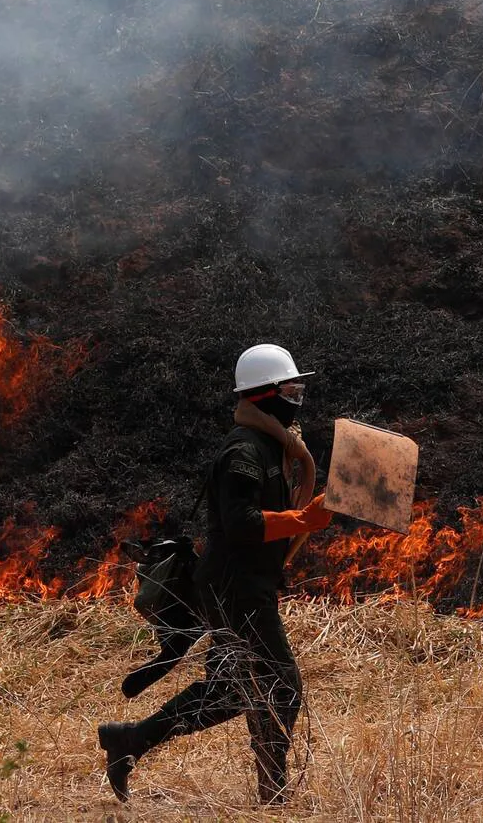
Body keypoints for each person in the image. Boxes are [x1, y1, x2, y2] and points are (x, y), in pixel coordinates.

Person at [98, 343, 334, 805]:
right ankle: (273, 792)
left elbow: (276, 515)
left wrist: (315, 510)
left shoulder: (276, 447)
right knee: (280, 685)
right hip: (234, 587)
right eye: (290, 389)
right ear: (264, 395)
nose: (296, 398)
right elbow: (242, 523)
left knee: (230, 692)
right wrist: (302, 521)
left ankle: (130, 741)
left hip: (247, 585)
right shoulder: (243, 451)